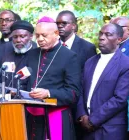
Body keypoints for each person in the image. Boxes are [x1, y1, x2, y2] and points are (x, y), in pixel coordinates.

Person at [24, 16, 81, 140]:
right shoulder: (31, 54)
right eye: (37, 35)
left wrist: (48, 93)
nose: (40, 39)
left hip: (56, 116)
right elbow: (24, 81)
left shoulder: (69, 57)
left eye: (44, 35)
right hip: (31, 117)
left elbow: (73, 93)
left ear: (56, 34)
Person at [76, 23, 129, 140]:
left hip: (110, 130)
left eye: (108, 35)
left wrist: (92, 120)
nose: (102, 37)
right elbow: (80, 90)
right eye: (101, 34)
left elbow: (120, 99)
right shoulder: (90, 62)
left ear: (119, 39)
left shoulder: (127, 65)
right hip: (85, 128)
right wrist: (82, 115)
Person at [56, 10, 97, 139]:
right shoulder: (52, 47)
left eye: (64, 23)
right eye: (57, 23)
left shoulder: (87, 47)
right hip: (56, 104)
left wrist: (83, 110)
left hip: (78, 106)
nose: (60, 26)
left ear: (74, 25)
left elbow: (89, 80)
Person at [1, 20, 37, 90]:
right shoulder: (7, 57)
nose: (18, 40)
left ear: (31, 37)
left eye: (22, 36)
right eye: (15, 37)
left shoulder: (38, 56)